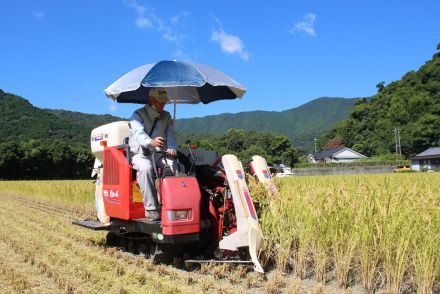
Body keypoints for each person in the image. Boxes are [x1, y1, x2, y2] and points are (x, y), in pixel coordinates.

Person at [129, 88, 178, 221]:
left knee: (174, 166)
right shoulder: (138, 114)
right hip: (140, 153)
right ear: (151, 100)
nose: (163, 104)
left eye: (164, 102)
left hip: (158, 154)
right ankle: (151, 209)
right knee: (145, 168)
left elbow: (171, 134)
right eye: (160, 101)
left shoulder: (167, 116)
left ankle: (172, 205)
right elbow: (138, 134)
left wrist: (172, 147)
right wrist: (151, 141)